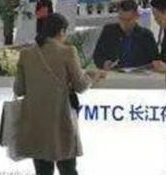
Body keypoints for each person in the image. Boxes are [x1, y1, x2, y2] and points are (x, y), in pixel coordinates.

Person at [14, 13, 106, 175]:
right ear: (61, 31)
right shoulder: (67, 51)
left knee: (42, 171)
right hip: (60, 118)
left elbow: (19, 89)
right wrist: (93, 76)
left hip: (35, 121)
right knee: (68, 168)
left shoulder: (26, 54)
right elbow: (81, 86)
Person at [93, 0, 158, 70]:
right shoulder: (109, 31)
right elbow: (97, 55)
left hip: (139, 74)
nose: (124, 24)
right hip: (114, 73)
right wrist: (104, 63)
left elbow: (155, 60)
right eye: (121, 19)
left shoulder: (146, 35)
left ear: (136, 16)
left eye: (128, 20)